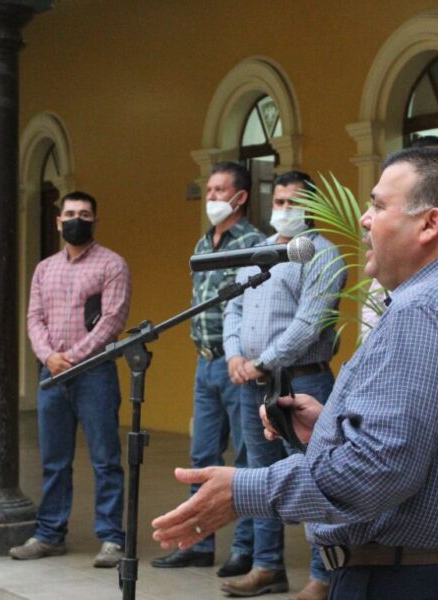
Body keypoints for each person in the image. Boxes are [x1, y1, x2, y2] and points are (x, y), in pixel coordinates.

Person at [152, 147, 438, 600]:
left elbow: (379, 470)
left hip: (409, 580)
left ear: (430, 224)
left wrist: (243, 490)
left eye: (377, 205)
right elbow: (427, 442)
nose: (364, 220)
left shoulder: (425, 310)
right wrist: (330, 423)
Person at [222, 170, 344, 599]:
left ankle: (323, 576)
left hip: (302, 380)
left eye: (293, 203)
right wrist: (235, 356)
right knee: (259, 474)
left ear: (310, 208)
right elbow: (231, 308)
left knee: (315, 477)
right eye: (278, 202)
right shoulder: (257, 251)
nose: (284, 210)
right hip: (250, 384)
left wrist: (263, 362)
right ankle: (267, 565)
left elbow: (309, 323)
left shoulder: (323, 255)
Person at [151, 161, 263, 577]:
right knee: (202, 456)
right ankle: (197, 543)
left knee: (246, 459)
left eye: (220, 191)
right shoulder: (203, 243)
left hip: (238, 367)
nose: (213, 198)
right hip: (206, 364)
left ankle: (245, 549)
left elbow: (250, 307)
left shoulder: (254, 242)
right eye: (210, 190)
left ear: (241, 197)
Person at [11, 191, 130, 569]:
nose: (76, 219)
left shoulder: (112, 264)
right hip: (52, 374)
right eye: (70, 213)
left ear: (94, 220)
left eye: (84, 213)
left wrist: (73, 358)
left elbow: (113, 319)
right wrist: (48, 356)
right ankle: (49, 534)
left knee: (105, 459)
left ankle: (111, 538)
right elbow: (34, 319)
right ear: (58, 221)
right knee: (54, 460)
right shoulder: (44, 268)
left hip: (93, 373)